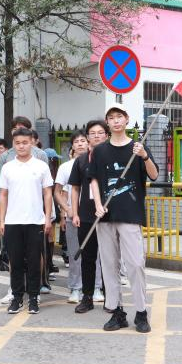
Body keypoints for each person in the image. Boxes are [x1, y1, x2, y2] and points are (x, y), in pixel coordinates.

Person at [89, 104, 158, 334]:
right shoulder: (100, 151)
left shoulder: (138, 147)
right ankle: (117, 312)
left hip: (130, 214)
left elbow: (154, 174)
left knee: (136, 264)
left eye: (119, 116)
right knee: (109, 265)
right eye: (111, 118)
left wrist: (144, 156)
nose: (116, 121)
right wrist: (98, 205)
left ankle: (141, 312)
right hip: (106, 216)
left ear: (127, 120)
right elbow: (94, 179)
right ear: (107, 122)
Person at [0, 127, 53, 315]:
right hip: (13, 221)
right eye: (17, 143)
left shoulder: (41, 166)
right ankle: (17, 297)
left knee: (34, 261)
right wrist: (2, 220)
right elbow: (3, 195)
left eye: (25, 142)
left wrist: (47, 218)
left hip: (35, 221)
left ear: (32, 143)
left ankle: (33, 297)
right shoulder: (8, 167)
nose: (21, 146)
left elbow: (48, 194)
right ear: (13, 144)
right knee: (15, 261)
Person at [69, 119, 110, 313]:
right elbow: (75, 188)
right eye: (92, 133)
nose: (96, 136)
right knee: (87, 257)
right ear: (87, 137)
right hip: (86, 215)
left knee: (109, 258)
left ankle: (111, 297)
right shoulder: (81, 160)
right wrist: (75, 213)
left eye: (100, 132)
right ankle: (87, 297)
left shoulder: (113, 157)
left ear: (106, 135)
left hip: (109, 215)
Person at [55, 131, 90, 304]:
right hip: (73, 216)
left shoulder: (96, 162)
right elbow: (58, 192)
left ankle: (96, 287)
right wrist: (67, 210)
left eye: (83, 140)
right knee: (75, 253)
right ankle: (76, 287)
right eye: (77, 141)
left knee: (96, 254)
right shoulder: (65, 167)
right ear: (72, 146)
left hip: (93, 215)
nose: (80, 144)